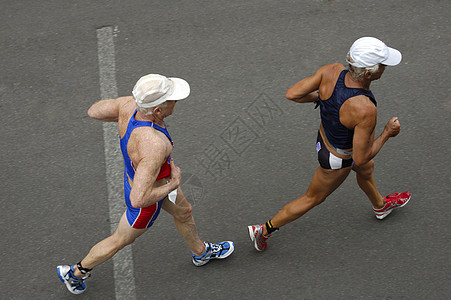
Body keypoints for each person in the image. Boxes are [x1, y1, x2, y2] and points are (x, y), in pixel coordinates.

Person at [57, 74, 235, 294]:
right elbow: (139, 199)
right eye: (171, 100)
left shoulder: (129, 105)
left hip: (141, 177)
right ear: (157, 110)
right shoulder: (153, 145)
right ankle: (75, 272)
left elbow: (94, 111)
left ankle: (200, 253)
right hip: (148, 198)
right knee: (120, 239)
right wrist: (173, 183)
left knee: (185, 212)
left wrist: (123, 119)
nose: (176, 102)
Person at [248, 37, 411, 251]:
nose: (386, 68)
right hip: (337, 158)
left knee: (365, 169)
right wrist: (387, 133)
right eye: (383, 65)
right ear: (369, 73)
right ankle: (265, 229)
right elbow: (361, 156)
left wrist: (323, 99)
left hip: (325, 138)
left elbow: (293, 94)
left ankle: (380, 206)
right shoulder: (365, 109)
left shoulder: (331, 70)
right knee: (312, 198)